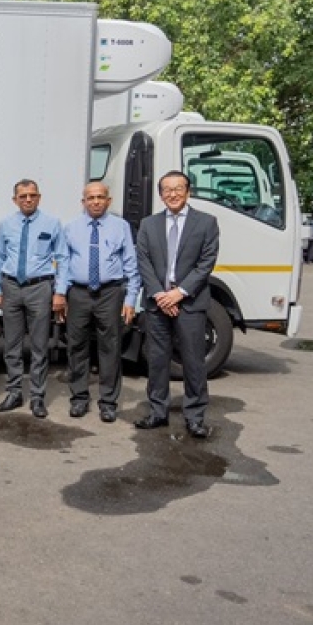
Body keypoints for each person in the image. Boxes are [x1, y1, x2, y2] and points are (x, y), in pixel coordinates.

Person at [134, 170, 220, 438]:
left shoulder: (206, 223)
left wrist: (179, 293)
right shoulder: (148, 224)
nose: (172, 194)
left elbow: (206, 263)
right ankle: (158, 412)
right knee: (158, 361)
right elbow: (143, 262)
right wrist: (161, 294)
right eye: (167, 190)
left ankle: (194, 417)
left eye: (178, 188)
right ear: (160, 195)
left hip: (190, 303)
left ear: (188, 191)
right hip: (157, 303)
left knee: (193, 361)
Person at [59, 182, 140, 423]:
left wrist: (131, 299)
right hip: (79, 293)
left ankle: (108, 402)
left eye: (100, 197)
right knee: (76, 346)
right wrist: (61, 294)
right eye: (90, 198)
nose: (95, 201)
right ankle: (79, 398)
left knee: (110, 347)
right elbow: (64, 263)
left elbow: (131, 265)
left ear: (109, 200)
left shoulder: (121, 227)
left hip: (110, 293)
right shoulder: (71, 228)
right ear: (83, 201)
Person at [0, 179, 69, 418]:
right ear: (15, 199)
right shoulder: (6, 224)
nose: (28, 199)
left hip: (40, 288)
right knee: (12, 346)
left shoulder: (52, 223)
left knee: (39, 346)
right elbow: (0, 256)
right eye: (23, 196)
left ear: (39, 197)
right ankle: (14, 392)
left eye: (32, 195)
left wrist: (60, 292)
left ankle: (37, 396)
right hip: (11, 287)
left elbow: (62, 258)